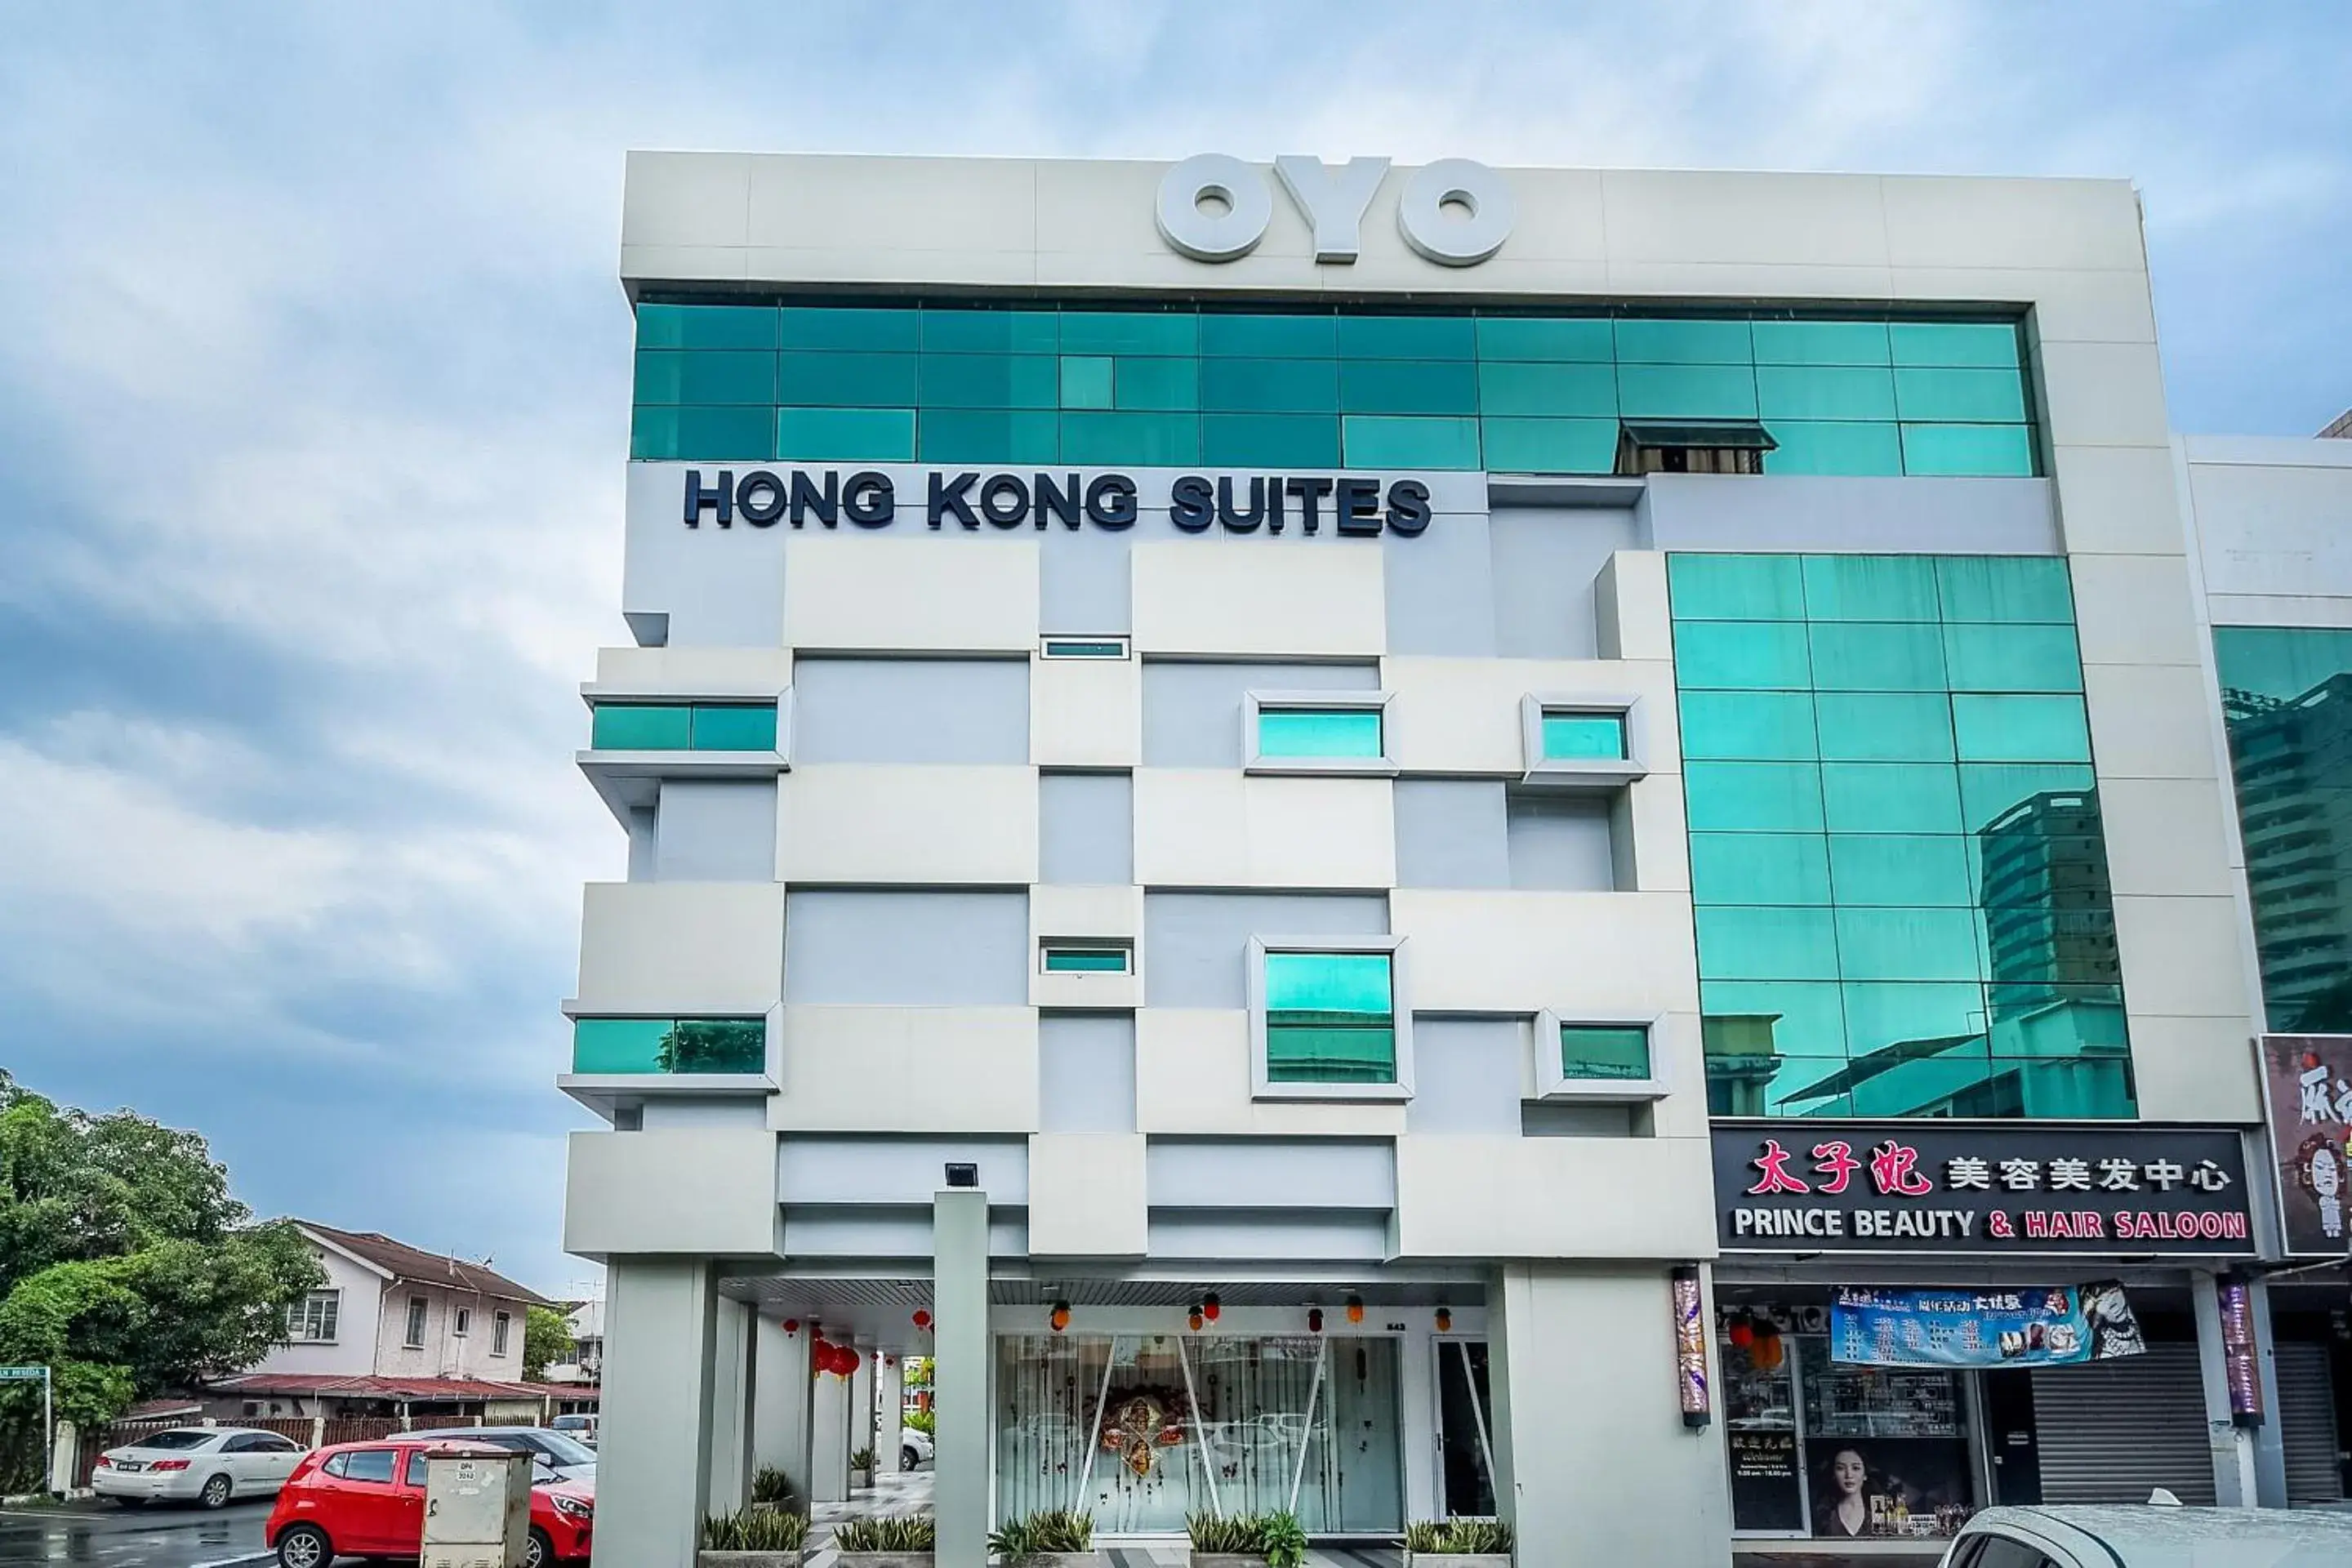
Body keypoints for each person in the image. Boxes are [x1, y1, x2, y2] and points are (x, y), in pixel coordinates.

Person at [1813, 1447, 1876, 1538]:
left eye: (1855, 1468)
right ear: (1834, 1475)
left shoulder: (1878, 1512)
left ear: (1865, 1474)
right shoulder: (1823, 1515)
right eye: (1840, 1468)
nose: (1849, 1475)